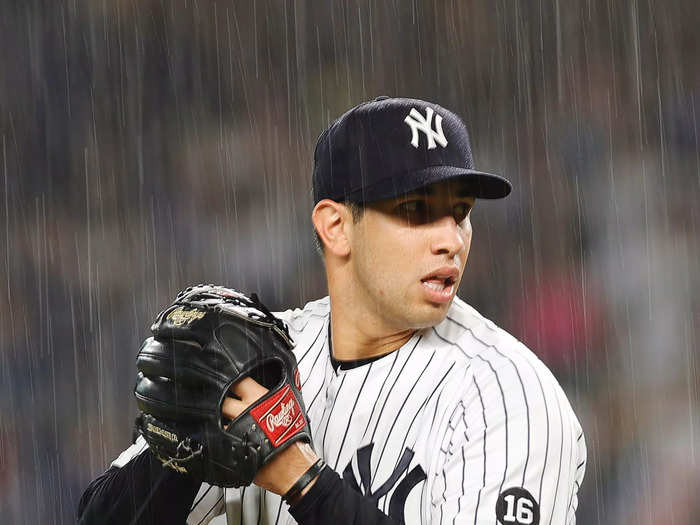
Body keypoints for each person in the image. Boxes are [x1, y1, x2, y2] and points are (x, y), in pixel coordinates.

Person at [78, 96, 586, 524]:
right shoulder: (260, 356)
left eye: (459, 214)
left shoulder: (509, 396)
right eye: (416, 212)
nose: (450, 240)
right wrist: (180, 453)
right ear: (336, 227)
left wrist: (302, 479)